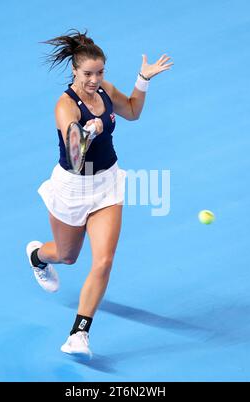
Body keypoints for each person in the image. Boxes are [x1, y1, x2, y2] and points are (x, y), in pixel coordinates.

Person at [26, 29, 173, 358]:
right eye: (88, 74)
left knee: (104, 261)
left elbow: (133, 111)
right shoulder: (65, 106)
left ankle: (79, 333)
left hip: (107, 183)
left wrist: (143, 79)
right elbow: (76, 159)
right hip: (73, 187)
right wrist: (88, 131)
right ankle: (37, 256)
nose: (95, 80)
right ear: (75, 71)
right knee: (67, 256)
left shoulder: (105, 90)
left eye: (100, 72)